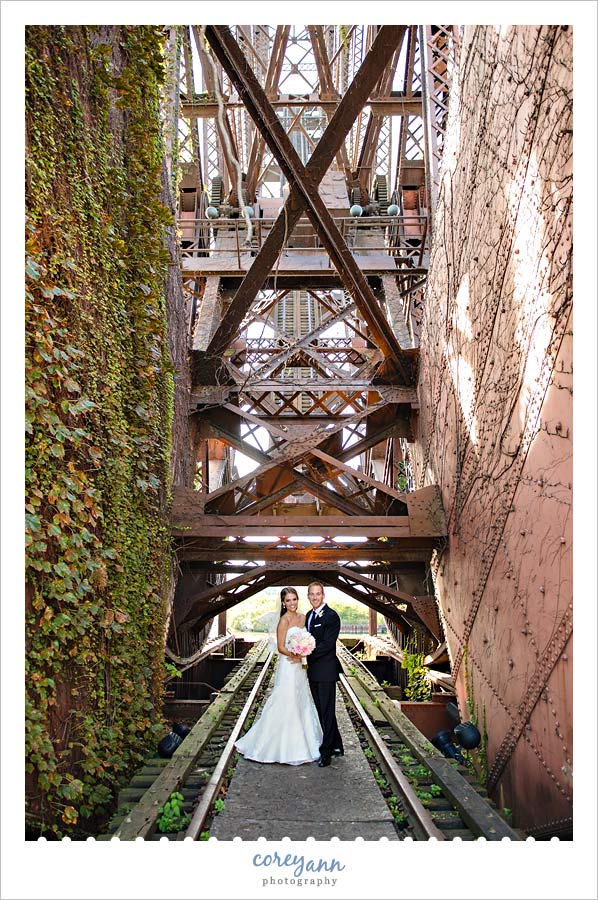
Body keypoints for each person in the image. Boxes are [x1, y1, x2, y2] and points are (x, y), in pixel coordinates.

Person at [234, 587, 323, 765]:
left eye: (294, 599)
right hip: (289, 666)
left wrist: (304, 652)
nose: (292, 603)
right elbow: (281, 647)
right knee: (286, 699)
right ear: (283, 603)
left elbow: (308, 638)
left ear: (298, 600)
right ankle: (276, 746)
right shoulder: (283, 621)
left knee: (301, 699)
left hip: (300, 668)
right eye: (288, 600)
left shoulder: (303, 617)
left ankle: (305, 742)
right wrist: (295, 655)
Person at [305, 581, 344, 767]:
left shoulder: (331, 616)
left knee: (327, 711)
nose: (315, 597)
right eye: (312, 594)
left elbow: (328, 644)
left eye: (318, 594)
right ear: (308, 596)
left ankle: (326, 752)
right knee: (322, 710)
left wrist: (306, 652)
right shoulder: (308, 616)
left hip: (326, 670)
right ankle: (337, 744)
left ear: (323, 595)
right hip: (313, 671)